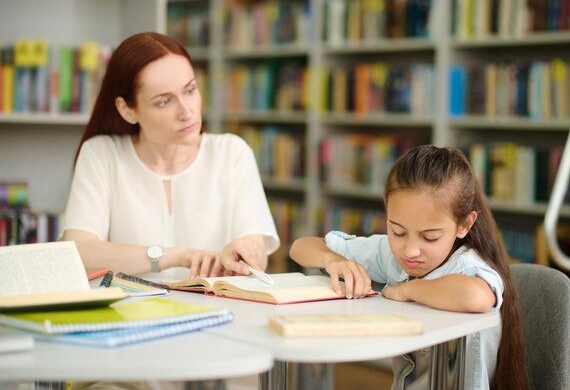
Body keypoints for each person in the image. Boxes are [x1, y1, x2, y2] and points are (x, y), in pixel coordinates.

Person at [289, 145, 528, 390]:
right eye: (398, 231)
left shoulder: (467, 265)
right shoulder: (390, 255)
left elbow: (476, 297)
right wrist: (332, 259)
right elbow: (300, 247)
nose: (410, 250)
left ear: (464, 224)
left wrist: (408, 290)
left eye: (430, 237)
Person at [60, 32, 280, 281]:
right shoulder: (102, 154)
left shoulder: (232, 154)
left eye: (190, 90)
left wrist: (246, 251)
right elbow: (80, 251)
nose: (187, 112)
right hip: (127, 315)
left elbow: (256, 249)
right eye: (164, 102)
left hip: (216, 313)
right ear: (127, 109)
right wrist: (176, 256)